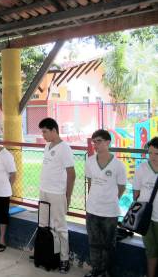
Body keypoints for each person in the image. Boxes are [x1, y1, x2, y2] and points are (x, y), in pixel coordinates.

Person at [85, 129, 127, 277]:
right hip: (92, 210)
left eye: (99, 141)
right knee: (94, 243)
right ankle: (96, 270)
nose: (95, 145)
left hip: (110, 212)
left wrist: (110, 199)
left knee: (109, 245)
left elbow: (122, 187)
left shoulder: (118, 165)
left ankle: (107, 272)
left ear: (108, 142)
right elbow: (90, 183)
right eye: (93, 142)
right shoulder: (89, 161)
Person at [38, 118, 76, 273]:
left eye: (45, 131)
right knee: (44, 225)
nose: (43, 135)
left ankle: (64, 259)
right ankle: (47, 255)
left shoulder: (65, 148)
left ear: (54, 130)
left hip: (57, 193)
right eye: (42, 132)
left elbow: (72, 174)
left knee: (60, 227)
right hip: (44, 191)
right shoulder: (47, 146)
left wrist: (68, 196)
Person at [133, 137, 158, 277]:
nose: (153, 157)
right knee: (150, 250)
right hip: (145, 218)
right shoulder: (142, 168)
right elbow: (136, 193)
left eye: (157, 154)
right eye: (150, 153)